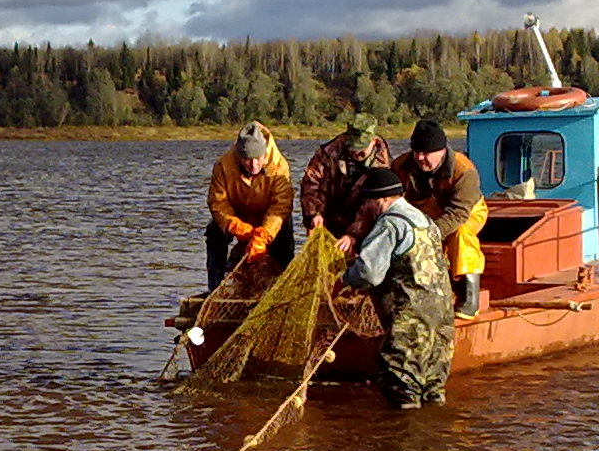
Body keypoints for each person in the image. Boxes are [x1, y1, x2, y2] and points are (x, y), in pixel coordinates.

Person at [340, 164, 455, 409]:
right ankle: (437, 441)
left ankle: (402, 443)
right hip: (442, 325)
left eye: (368, 201)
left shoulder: (389, 225)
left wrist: (345, 278)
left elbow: (368, 274)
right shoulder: (426, 221)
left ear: (381, 200)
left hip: (409, 325)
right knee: (433, 393)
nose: (365, 207)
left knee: (401, 390)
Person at [394, 118, 490, 317]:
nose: (420, 157)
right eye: (417, 152)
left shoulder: (464, 171)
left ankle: (469, 296)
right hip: (424, 213)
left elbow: (458, 213)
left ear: (441, 151)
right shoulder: (401, 166)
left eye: (426, 153)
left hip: (467, 212)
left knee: (462, 234)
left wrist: (430, 235)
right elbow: (392, 203)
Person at [204, 121, 297, 289]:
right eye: (247, 160)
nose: (253, 165)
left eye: (258, 159)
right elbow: (218, 202)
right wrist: (234, 225)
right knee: (214, 233)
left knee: (284, 237)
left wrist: (263, 235)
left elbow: (281, 205)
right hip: (238, 214)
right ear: (239, 156)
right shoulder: (223, 165)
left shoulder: (279, 166)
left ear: (265, 155)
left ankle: (283, 287)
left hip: (268, 216)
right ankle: (214, 287)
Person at [299, 112, 391, 241]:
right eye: (352, 147)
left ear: (374, 141)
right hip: (330, 223)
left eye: (361, 148)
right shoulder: (327, 154)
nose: (356, 152)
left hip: (367, 230)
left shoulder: (385, 168)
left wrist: (353, 236)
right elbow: (311, 184)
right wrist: (314, 214)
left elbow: (373, 207)